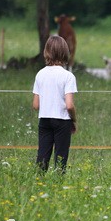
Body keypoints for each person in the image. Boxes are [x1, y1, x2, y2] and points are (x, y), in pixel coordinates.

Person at [32, 35, 78, 173]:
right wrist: (74, 120)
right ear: (65, 52)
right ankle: (58, 184)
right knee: (61, 156)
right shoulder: (68, 76)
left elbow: (35, 105)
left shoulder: (40, 74)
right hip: (62, 121)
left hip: (44, 119)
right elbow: (69, 105)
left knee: (43, 155)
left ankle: (39, 182)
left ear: (46, 52)